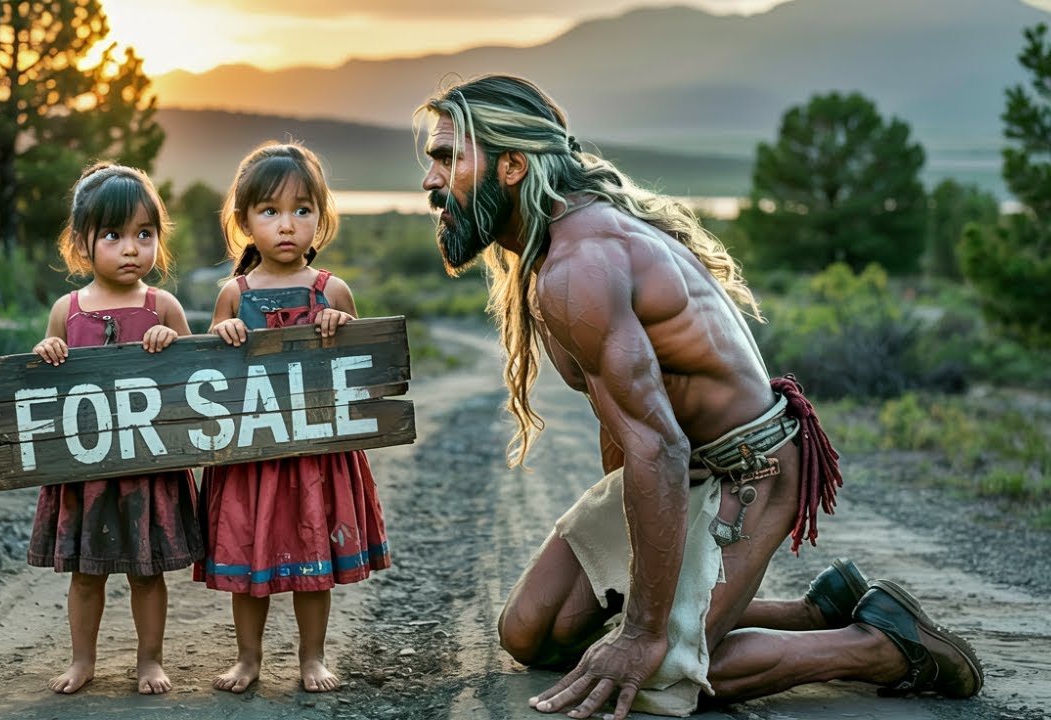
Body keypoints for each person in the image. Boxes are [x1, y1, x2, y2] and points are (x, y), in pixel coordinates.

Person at [415, 74, 983, 718]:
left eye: (447, 157)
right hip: (682, 467)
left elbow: (654, 445)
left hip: (749, 471)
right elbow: (635, 433)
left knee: (655, 679)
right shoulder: (558, 248)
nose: (432, 180)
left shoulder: (581, 266)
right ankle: (809, 611)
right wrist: (645, 560)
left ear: (512, 165)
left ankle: (883, 643)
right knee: (530, 634)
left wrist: (644, 632)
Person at [195, 140, 391, 694]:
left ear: (320, 218)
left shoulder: (332, 290)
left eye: (302, 211)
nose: (287, 225)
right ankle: (249, 658)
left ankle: (312, 657)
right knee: (247, 561)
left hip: (313, 455)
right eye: (271, 211)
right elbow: (211, 367)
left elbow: (361, 369)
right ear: (245, 222)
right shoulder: (234, 294)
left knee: (312, 557)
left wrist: (340, 325)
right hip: (251, 453)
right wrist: (223, 332)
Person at [29, 161, 203, 695]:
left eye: (144, 234)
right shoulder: (68, 310)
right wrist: (48, 349)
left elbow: (197, 378)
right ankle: (83, 661)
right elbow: (50, 379)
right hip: (88, 471)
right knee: (88, 572)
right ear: (83, 244)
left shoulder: (163, 306)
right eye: (114, 235)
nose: (131, 248)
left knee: (147, 572)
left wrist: (173, 344)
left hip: (148, 467)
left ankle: (149, 660)